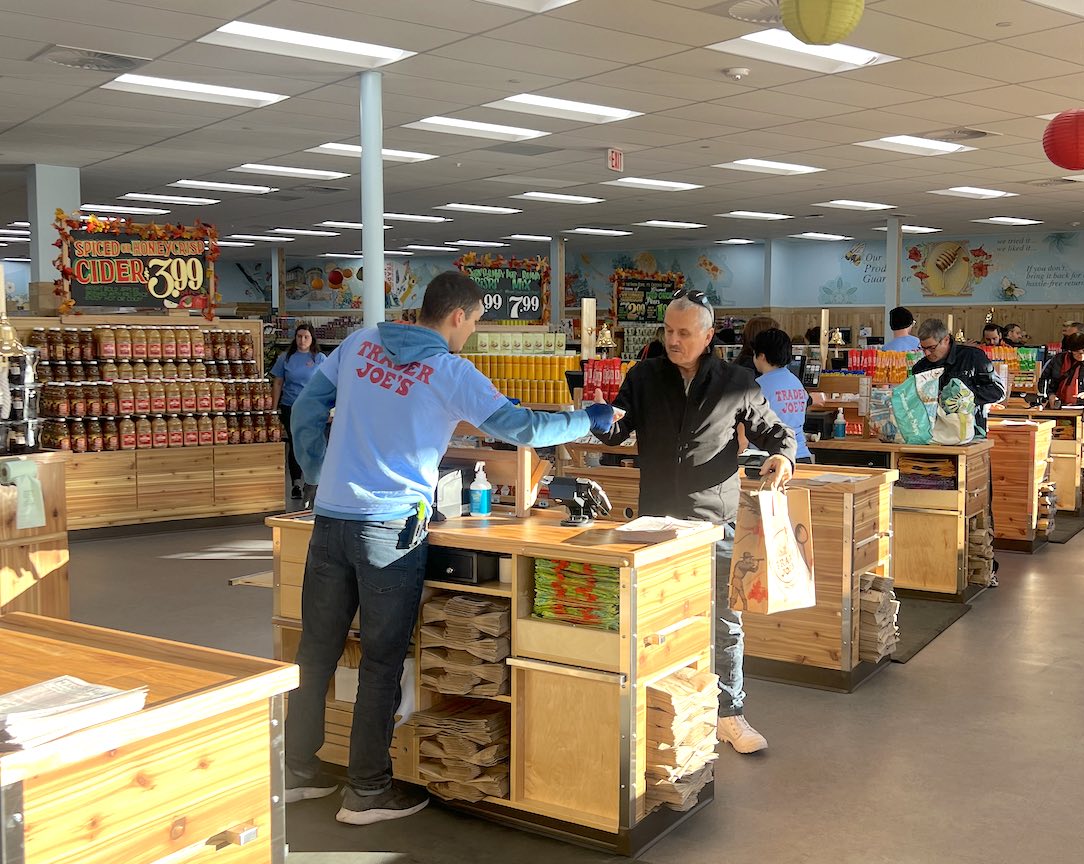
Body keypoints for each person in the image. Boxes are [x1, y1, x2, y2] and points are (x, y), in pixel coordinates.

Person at [283, 272, 615, 825]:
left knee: (315, 653)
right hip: (388, 531)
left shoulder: (361, 343)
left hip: (331, 520)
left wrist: (320, 468)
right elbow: (523, 429)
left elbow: (305, 408)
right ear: (459, 316)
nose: (473, 332)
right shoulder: (449, 371)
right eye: (477, 321)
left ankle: (296, 771)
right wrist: (590, 418)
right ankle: (366, 790)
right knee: (382, 661)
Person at [593, 289, 796, 755]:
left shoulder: (737, 381)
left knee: (725, 622)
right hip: (656, 522)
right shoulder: (643, 375)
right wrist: (602, 417)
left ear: (707, 336)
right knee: (654, 619)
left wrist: (783, 458)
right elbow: (618, 431)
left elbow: (775, 432)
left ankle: (730, 715)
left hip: (714, 522)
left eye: (684, 333)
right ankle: (661, 711)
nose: (673, 340)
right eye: (668, 330)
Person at [912, 318, 1007, 438]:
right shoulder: (920, 367)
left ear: (946, 340)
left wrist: (965, 397)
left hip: (969, 434)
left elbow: (998, 392)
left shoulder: (973, 357)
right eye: (923, 348)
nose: (927, 353)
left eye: (932, 348)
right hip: (932, 435)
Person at [753, 327, 825, 464]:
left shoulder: (757, 386)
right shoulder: (795, 381)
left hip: (772, 459)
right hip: (802, 454)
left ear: (761, 356)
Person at [271, 323, 324, 499]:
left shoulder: (320, 358)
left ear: (312, 339)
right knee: (295, 444)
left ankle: (313, 482)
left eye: (306, 337)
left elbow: (327, 384)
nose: (302, 340)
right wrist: (273, 407)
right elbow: (278, 382)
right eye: (299, 336)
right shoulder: (285, 358)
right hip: (290, 406)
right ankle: (296, 483)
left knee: (311, 444)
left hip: (312, 408)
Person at [1038, 332, 1084, 406]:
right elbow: (1044, 380)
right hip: (1057, 404)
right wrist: (1049, 395)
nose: (1081, 354)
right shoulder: (1058, 360)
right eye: (1077, 352)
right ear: (1070, 351)